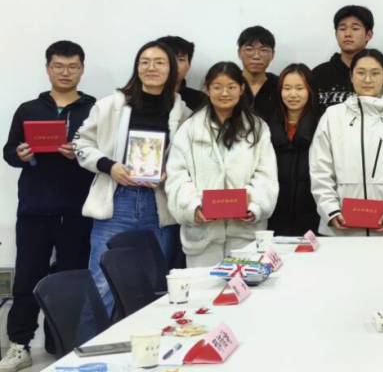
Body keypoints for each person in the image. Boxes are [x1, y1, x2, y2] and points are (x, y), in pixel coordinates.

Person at [74, 40, 191, 311]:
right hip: (117, 201)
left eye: (159, 62)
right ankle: (92, 340)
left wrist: (168, 172)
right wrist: (109, 166)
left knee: (151, 283)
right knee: (102, 283)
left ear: (171, 69)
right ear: (137, 67)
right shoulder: (110, 105)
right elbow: (81, 143)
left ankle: (143, 338)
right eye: (144, 62)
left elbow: (186, 158)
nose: (151, 68)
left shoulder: (183, 112)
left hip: (158, 205)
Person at [1, 42, 95, 372]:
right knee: (27, 279)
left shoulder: (95, 109)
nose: (65, 72)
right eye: (58, 66)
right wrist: (20, 154)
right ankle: (19, 345)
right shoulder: (28, 109)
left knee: (73, 280)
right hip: (34, 208)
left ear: (82, 69)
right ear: (47, 68)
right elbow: (9, 151)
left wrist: (80, 155)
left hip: (77, 210)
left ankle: (63, 341)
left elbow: (105, 154)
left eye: (72, 66)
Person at [165, 63, 279, 266]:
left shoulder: (257, 128)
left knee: (247, 284)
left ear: (241, 89)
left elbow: (266, 174)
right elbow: (177, 175)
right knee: (204, 285)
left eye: (231, 87)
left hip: (246, 235)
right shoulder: (190, 129)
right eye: (217, 87)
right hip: (203, 235)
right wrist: (192, 207)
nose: (224, 93)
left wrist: (255, 205)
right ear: (207, 89)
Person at [310, 49, 383, 236]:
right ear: (351, 76)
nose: (367, 79)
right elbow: (320, 169)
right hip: (340, 227)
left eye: (375, 73)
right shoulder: (332, 116)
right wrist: (331, 210)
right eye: (360, 73)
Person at [266, 64, 323, 237]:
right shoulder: (266, 127)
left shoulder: (323, 125)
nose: (292, 94)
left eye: (299, 88)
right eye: (287, 88)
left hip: (313, 215)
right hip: (275, 215)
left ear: (310, 91)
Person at [312, 5, 383, 109]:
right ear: (336, 34)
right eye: (342, 28)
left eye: (355, 28)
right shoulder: (319, 74)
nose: (347, 34)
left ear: (368, 35)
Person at [236, 26, 279, 122]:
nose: (256, 56)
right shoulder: (229, 83)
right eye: (249, 49)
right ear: (239, 53)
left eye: (263, 50)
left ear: (272, 55)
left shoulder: (280, 85)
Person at [158, 35, 205, 112]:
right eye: (168, 59)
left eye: (181, 59)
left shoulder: (201, 100)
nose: (175, 65)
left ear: (189, 64)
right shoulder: (139, 97)